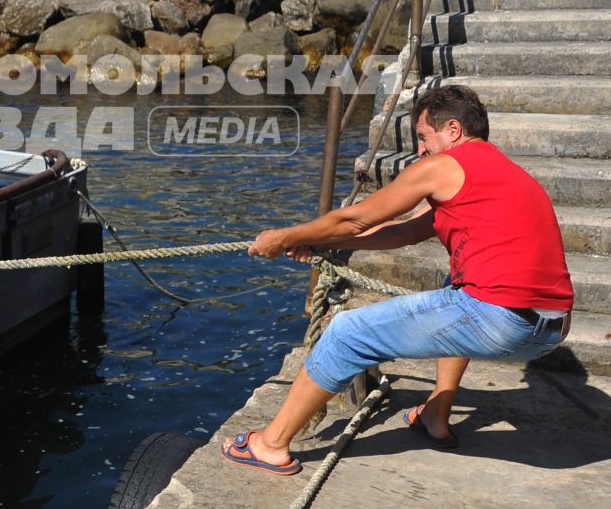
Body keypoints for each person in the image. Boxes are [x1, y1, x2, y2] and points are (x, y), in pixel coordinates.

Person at [223, 84, 574, 473]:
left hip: (498, 319)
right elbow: (404, 232)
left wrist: (284, 236)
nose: (421, 150)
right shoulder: (504, 173)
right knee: (453, 286)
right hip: (550, 331)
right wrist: (321, 244)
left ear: (453, 130)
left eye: (424, 137)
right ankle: (436, 414)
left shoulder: (444, 166)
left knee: (347, 332)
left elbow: (355, 217)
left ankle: (271, 444)